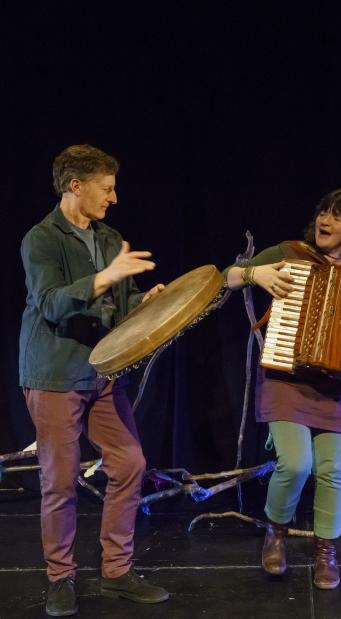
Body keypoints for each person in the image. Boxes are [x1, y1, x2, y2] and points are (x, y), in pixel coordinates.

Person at [226, 188, 341, 589]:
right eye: (323, 213)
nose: (325, 221)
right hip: (285, 379)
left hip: (333, 390)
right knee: (296, 464)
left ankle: (325, 552)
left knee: (331, 469)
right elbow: (227, 276)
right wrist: (252, 273)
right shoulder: (290, 254)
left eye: (337, 217)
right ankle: (276, 532)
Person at [19, 144, 169, 616]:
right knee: (60, 480)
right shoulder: (41, 239)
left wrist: (144, 303)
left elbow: (115, 304)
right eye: (106, 188)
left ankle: (116, 572)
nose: (114, 197)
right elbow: (51, 303)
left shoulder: (109, 238)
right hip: (56, 373)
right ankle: (61, 578)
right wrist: (107, 278)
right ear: (75, 186)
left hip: (102, 372)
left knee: (129, 464)